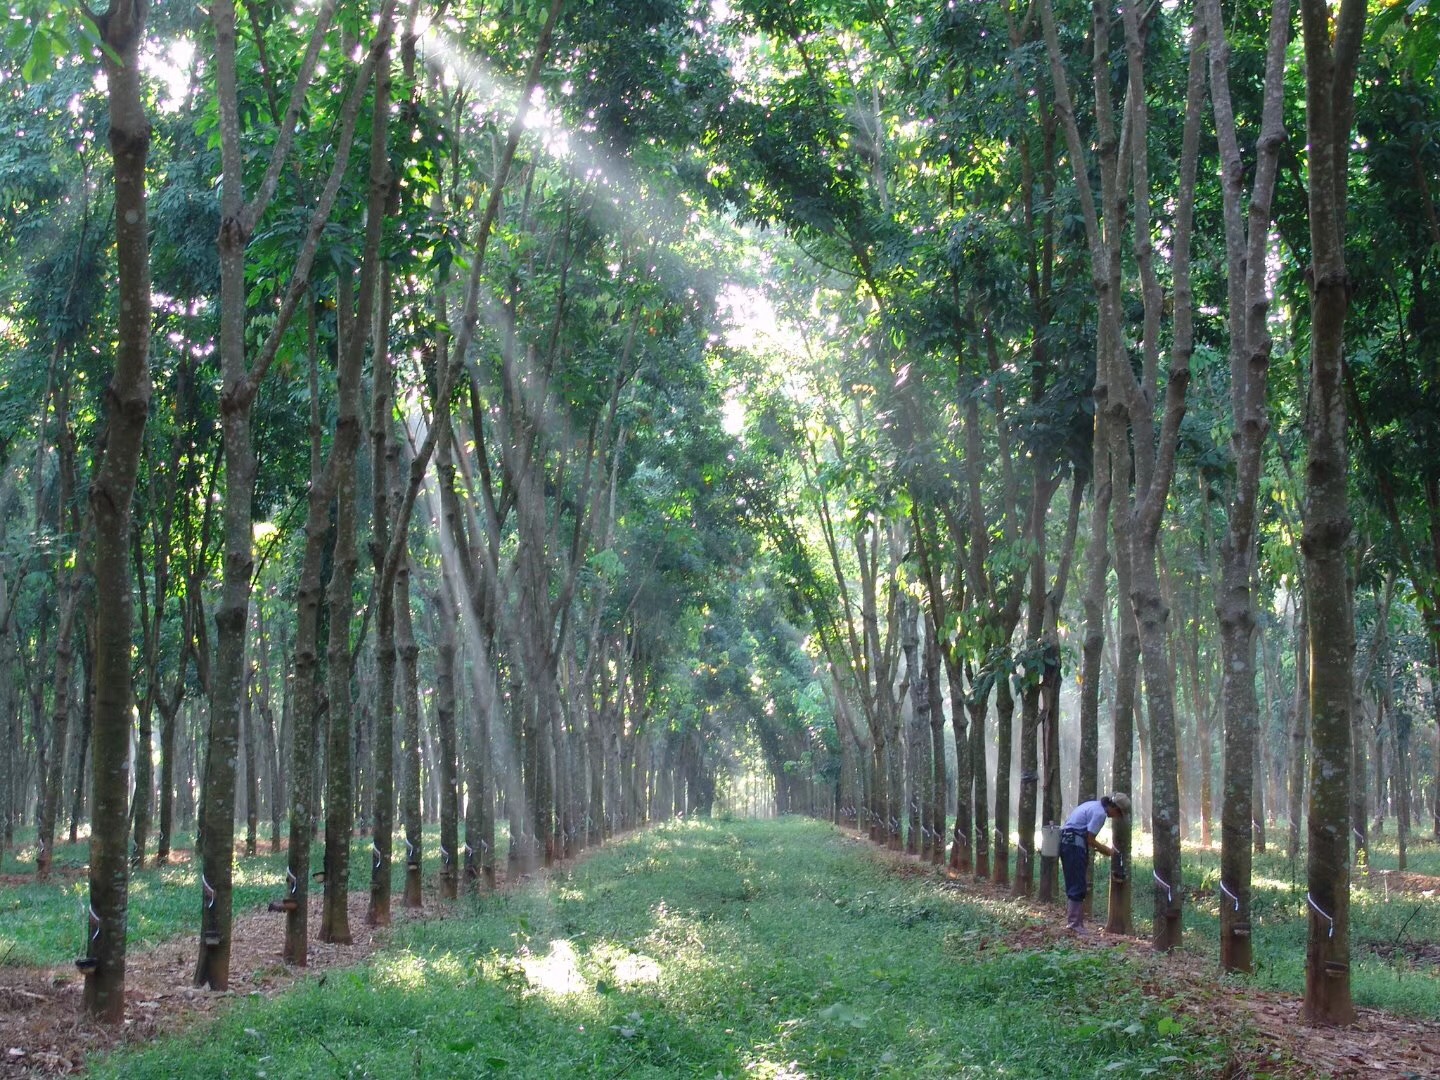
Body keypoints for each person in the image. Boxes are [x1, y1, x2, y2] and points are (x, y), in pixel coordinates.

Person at [1058, 792, 1131, 934]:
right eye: (1119, 813)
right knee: (1077, 884)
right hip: (1073, 846)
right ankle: (1074, 925)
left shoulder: (1092, 805)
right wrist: (1108, 851)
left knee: (1076, 882)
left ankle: (1077, 923)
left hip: (1069, 844)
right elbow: (1090, 839)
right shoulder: (1100, 814)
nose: (1117, 816)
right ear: (1114, 807)